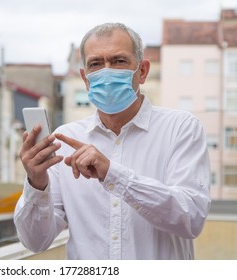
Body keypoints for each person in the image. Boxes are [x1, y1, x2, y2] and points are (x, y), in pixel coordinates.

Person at [14, 22, 211, 259]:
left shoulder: (180, 128)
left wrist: (113, 174)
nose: (106, 72)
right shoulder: (65, 140)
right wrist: (36, 183)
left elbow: (191, 218)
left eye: (119, 61)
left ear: (142, 71)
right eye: (96, 64)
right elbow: (35, 241)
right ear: (85, 78)